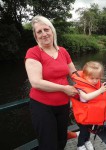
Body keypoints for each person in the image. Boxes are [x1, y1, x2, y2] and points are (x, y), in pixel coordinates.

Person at [25, 15, 78, 150]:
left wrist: (94, 81)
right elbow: (36, 82)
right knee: (48, 145)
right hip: (42, 107)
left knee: (61, 140)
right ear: (36, 36)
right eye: (39, 32)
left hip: (63, 105)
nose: (44, 34)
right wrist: (64, 88)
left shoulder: (63, 51)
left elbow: (74, 74)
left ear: (52, 30)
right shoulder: (33, 52)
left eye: (46, 29)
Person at [71, 61, 106, 150]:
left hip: (92, 116)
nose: (95, 81)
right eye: (92, 78)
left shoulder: (97, 85)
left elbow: (104, 91)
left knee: (89, 131)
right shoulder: (81, 87)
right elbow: (87, 96)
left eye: (97, 78)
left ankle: (87, 141)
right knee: (83, 132)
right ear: (85, 76)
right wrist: (100, 90)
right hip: (84, 117)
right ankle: (80, 145)